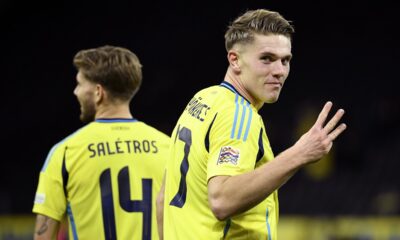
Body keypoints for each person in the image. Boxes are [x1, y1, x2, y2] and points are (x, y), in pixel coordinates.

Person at [157, 9, 347, 239]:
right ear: (235, 60)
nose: (279, 71)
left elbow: (162, 200)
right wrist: (300, 154)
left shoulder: (202, 99)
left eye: (285, 60)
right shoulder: (238, 114)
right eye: (266, 58)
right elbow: (222, 200)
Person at [32, 45, 170, 240]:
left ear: (98, 92)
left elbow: (42, 237)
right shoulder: (168, 148)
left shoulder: (65, 152)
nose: (75, 91)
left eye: (79, 84)